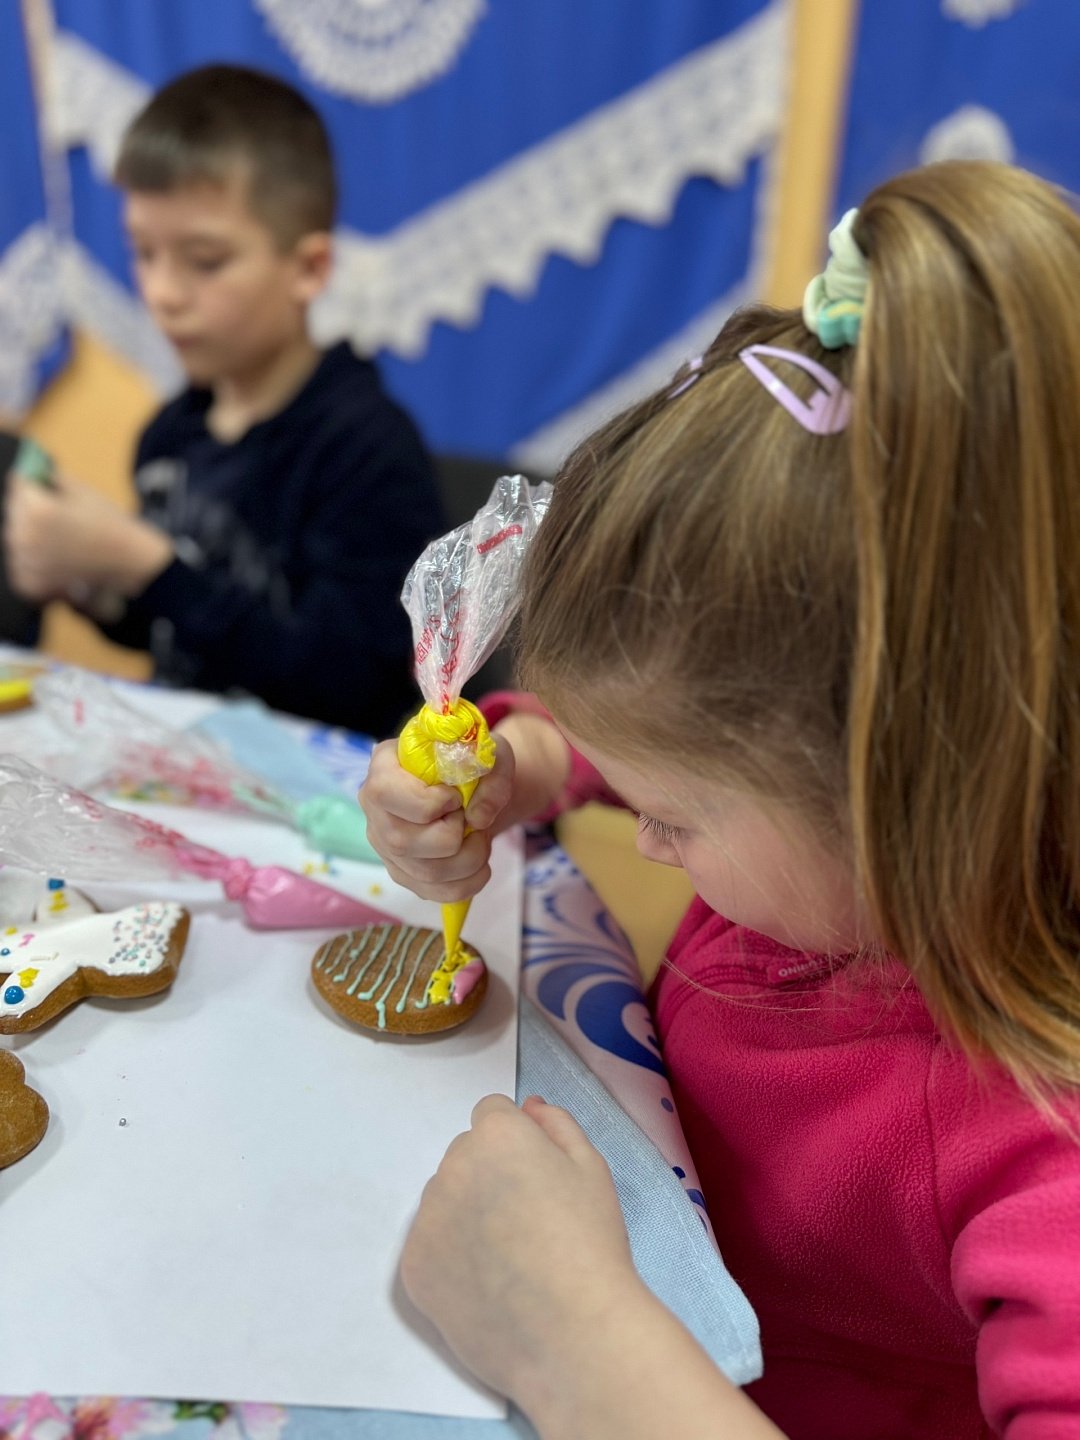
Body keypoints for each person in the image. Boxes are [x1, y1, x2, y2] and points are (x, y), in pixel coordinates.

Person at [360, 160, 1080, 1439]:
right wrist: (523, 767)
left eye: (676, 818)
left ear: (906, 792)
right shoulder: (846, 857)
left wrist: (577, 1341)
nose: (644, 838)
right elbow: (649, 742)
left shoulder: (1041, 1155)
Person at [3, 65, 443, 736]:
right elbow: (173, 631)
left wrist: (146, 564)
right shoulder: (169, 436)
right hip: (195, 765)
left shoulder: (367, 448)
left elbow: (349, 680)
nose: (163, 293)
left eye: (204, 261)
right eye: (143, 253)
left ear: (309, 268)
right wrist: (91, 581)